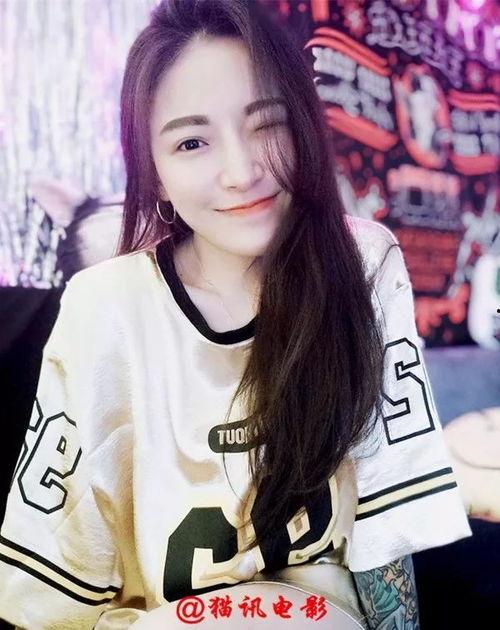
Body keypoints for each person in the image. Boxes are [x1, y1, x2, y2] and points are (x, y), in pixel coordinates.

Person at [0, 1, 472, 628]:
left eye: (267, 123)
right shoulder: (104, 308)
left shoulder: (362, 263)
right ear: (155, 173)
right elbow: (59, 577)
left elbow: (385, 524)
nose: (242, 172)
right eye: (192, 142)